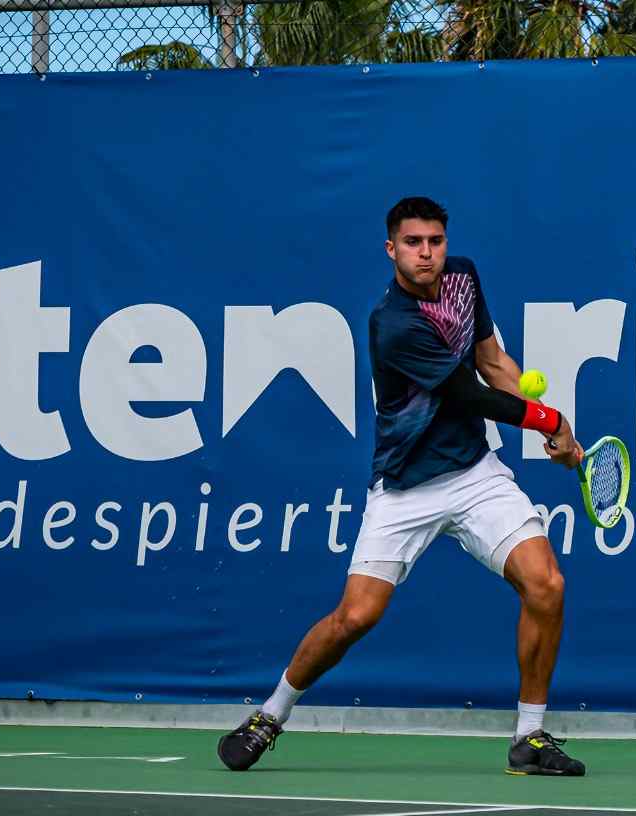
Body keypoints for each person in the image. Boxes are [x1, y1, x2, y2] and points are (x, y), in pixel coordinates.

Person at [218, 196, 588, 777]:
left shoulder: (463, 277)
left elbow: (491, 362)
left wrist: (545, 414)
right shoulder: (392, 324)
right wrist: (551, 424)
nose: (427, 253)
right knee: (355, 618)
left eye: (435, 241)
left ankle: (530, 738)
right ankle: (270, 713)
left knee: (546, 585)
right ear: (391, 249)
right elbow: (466, 394)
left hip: (474, 474)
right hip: (405, 488)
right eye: (413, 243)